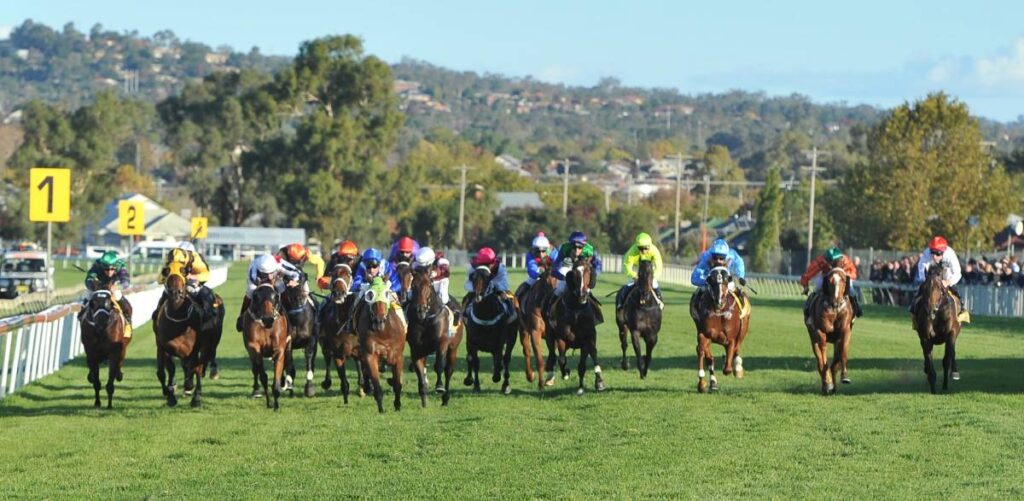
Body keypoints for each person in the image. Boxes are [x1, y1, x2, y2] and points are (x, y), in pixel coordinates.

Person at [236, 253, 301, 331]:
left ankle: (288, 313)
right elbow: (253, 280)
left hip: (276, 278)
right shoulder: (253, 266)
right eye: (265, 273)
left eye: (270, 272)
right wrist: (268, 280)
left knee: (281, 287)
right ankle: (242, 316)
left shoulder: (279, 263)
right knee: (250, 291)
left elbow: (297, 273)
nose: (268, 274)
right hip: (259, 281)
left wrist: (294, 281)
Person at [548, 231, 603, 323]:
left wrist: (593, 275)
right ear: (570, 245)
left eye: (580, 247)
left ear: (584, 246)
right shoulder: (564, 249)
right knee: (559, 289)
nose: (577, 250)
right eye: (574, 247)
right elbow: (556, 265)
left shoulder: (589, 250)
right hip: (568, 269)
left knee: (587, 291)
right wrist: (560, 276)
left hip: (583, 271)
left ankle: (596, 315)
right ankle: (550, 312)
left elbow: (598, 265)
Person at [156, 241, 214, 329]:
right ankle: (156, 316)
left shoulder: (196, 259)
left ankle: (208, 319)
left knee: (206, 296)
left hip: (194, 282)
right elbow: (160, 278)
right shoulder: (171, 258)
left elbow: (207, 275)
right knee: (165, 294)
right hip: (177, 283)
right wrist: (166, 277)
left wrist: (193, 276)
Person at [911, 236, 969, 323]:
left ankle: (962, 310)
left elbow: (957, 273)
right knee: (920, 292)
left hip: (947, 276)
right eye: (932, 253)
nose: (934, 256)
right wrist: (925, 281)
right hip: (931, 275)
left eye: (937, 253)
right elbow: (921, 267)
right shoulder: (927, 253)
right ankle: (914, 311)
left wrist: (948, 282)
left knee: (954, 291)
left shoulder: (950, 255)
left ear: (943, 252)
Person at [800, 247, 863, 319]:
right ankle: (808, 306)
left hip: (843, 275)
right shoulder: (821, 260)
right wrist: (805, 285)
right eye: (831, 262)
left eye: (834, 262)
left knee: (851, 291)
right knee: (817, 288)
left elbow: (853, 273)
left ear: (839, 259)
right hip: (826, 274)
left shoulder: (845, 260)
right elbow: (809, 272)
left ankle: (857, 307)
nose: (832, 264)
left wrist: (844, 275)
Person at [82, 251, 133, 337]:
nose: (109, 272)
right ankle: (82, 317)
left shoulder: (120, 265)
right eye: (106, 269)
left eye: (112, 269)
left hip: (113, 285)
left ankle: (127, 321)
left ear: (115, 267)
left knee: (117, 295)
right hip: (98, 286)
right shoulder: (97, 265)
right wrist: (94, 285)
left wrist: (118, 287)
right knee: (86, 296)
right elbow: (88, 280)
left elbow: (126, 282)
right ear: (102, 266)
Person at [463, 247, 516, 322]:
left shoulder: (500, 268)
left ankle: (511, 312)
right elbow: (468, 284)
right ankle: (465, 313)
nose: (485, 267)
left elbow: (504, 284)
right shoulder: (473, 267)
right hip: (479, 285)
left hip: (495, 282)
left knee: (507, 296)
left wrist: (493, 287)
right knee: (467, 298)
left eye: (488, 264)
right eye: (481, 264)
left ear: (493, 262)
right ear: (478, 263)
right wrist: (477, 288)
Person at [411, 246, 461, 324]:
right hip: (425, 282)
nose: (422, 266)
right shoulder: (416, 262)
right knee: (410, 295)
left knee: (443, 297)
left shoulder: (441, 261)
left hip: (440, 281)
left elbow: (446, 272)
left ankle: (454, 311)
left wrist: (437, 273)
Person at [690, 238, 747, 306]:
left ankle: (742, 307)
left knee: (733, 287)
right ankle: (696, 307)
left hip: (726, 276)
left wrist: (741, 276)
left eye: (721, 258)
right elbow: (694, 278)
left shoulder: (732, 255)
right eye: (715, 257)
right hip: (709, 277)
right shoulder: (706, 256)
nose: (718, 261)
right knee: (702, 289)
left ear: (726, 256)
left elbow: (740, 264)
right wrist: (705, 282)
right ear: (711, 255)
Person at [617, 232, 664, 310]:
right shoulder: (632, 252)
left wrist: (652, 277)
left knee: (655, 285)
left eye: (646, 248)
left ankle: (660, 300)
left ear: (650, 246)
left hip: (649, 271)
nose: (644, 251)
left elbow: (659, 266)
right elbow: (626, 266)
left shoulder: (654, 251)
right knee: (629, 285)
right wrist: (634, 276)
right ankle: (621, 303)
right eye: (641, 248)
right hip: (637, 270)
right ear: (637, 246)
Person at [513, 232, 553, 307]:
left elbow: (558, 264)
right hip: (537, 276)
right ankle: (517, 305)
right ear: (534, 249)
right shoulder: (530, 254)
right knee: (522, 289)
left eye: (543, 251)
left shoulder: (553, 252)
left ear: (547, 249)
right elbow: (532, 269)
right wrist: (539, 273)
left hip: (552, 275)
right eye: (538, 251)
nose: (541, 254)